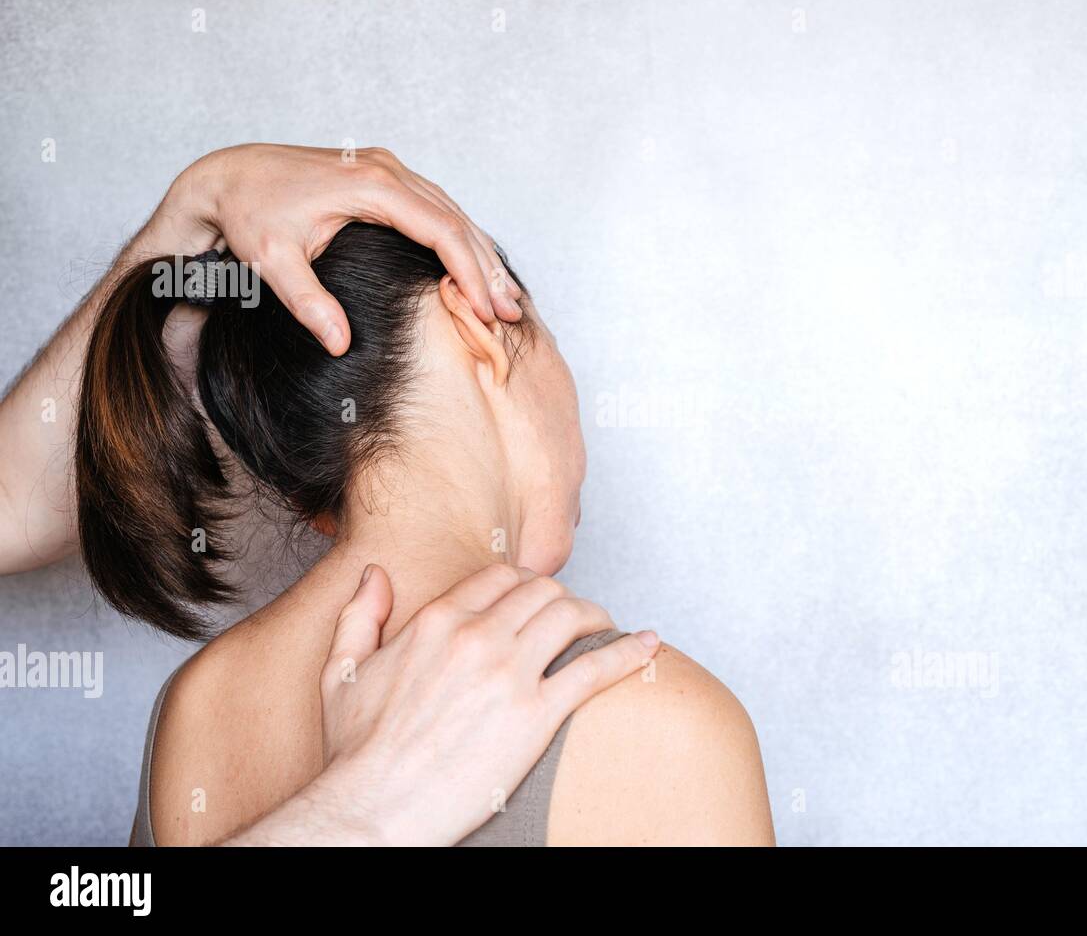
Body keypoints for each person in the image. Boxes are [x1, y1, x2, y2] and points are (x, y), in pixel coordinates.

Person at [0, 145, 667, 845]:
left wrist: (198, 197)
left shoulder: (197, 714)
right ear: (483, 329)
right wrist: (361, 813)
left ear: (303, 497)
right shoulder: (658, 720)